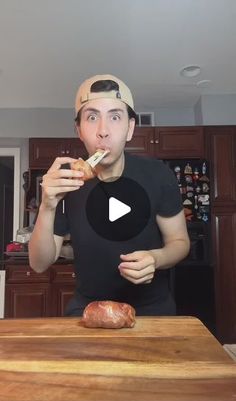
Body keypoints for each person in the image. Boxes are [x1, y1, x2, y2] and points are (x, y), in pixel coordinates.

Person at [29, 74, 190, 316]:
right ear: (79, 130)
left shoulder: (158, 175)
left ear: (130, 129)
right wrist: (47, 206)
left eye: (115, 117)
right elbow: (39, 263)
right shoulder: (66, 180)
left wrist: (156, 258)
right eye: (92, 117)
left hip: (153, 310)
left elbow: (180, 243)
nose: (103, 131)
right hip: (88, 310)